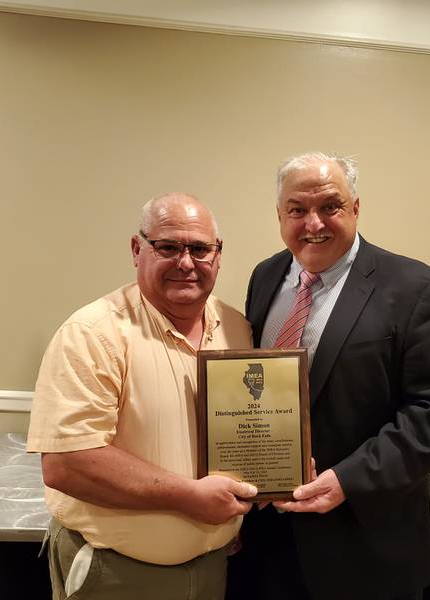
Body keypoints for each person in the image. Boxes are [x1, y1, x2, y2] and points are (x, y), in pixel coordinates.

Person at [228, 153, 430, 600]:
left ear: (355, 208)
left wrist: (348, 480)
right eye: (297, 210)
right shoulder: (265, 276)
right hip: (267, 540)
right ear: (280, 215)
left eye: (330, 206)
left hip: (363, 544)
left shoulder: (418, 290)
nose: (313, 223)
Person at [27, 193, 258, 600]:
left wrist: (280, 472)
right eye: (168, 247)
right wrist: (190, 498)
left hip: (216, 568)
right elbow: (67, 464)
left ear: (218, 256)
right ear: (138, 250)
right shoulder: (92, 334)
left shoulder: (236, 329)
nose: (186, 263)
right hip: (116, 574)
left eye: (200, 249)